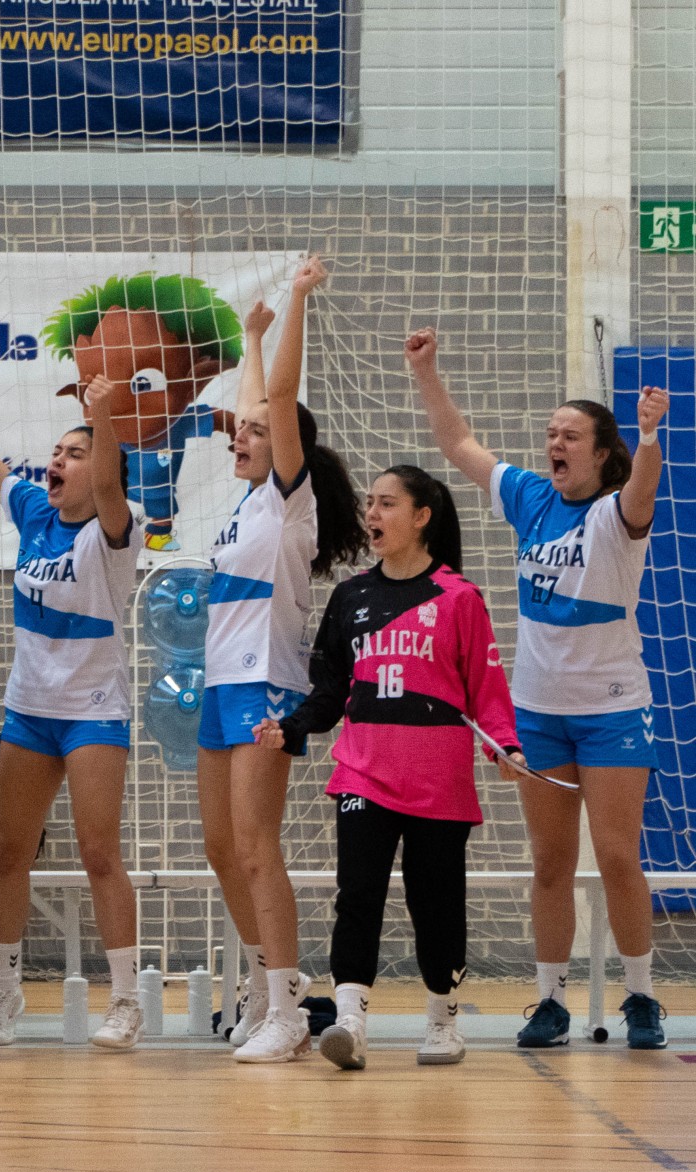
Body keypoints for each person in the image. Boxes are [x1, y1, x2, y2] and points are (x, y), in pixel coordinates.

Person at [408, 327, 670, 1050]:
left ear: (601, 452)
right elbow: (459, 444)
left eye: (570, 435)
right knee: (550, 861)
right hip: (538, 711)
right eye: (551, 433)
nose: (555, 442)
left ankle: (642, 996)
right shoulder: (528, 496)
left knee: (616, 855)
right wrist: (427, 372)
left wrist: (649, 435)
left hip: (613, 708)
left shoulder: (617, 513)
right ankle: (550, 1001)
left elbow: (644, 486)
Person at [257, 465, 523, 1069]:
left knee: (437, 903)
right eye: (369, 503)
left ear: (422, 516)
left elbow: (486, 688)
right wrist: (291, 726)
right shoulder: (350, 597)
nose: (372, 515)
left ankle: (443, 1021)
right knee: (358, 895)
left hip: (439, 781)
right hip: (364, 772)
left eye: (387, 504)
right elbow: (330, 690)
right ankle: (350, 1022)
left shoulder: (459, 597)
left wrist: (504, 746)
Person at [0, 337, 143, 1049]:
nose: (58, 461)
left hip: (92, 713)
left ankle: (126, 1000)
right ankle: (5, 990)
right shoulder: (33, 512)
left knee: (98, 853)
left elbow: (109, 487)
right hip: (29, 709)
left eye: (73, 454)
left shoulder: (115, 529)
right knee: (11, 850)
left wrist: (102, 418)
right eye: (56, 451)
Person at [197, 260, 367, 1064]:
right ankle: (274, 993)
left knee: (256, 846)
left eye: (257, 432)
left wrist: (295, 300)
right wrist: (251, 337)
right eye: (242, 430)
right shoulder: (245, 500)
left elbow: (279, 397)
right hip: (219, 682)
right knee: (221, 848)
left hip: (266, 682)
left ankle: (287, 1009)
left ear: (289, 445)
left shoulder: (290, 500)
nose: (242, 434)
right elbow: (257, 401)